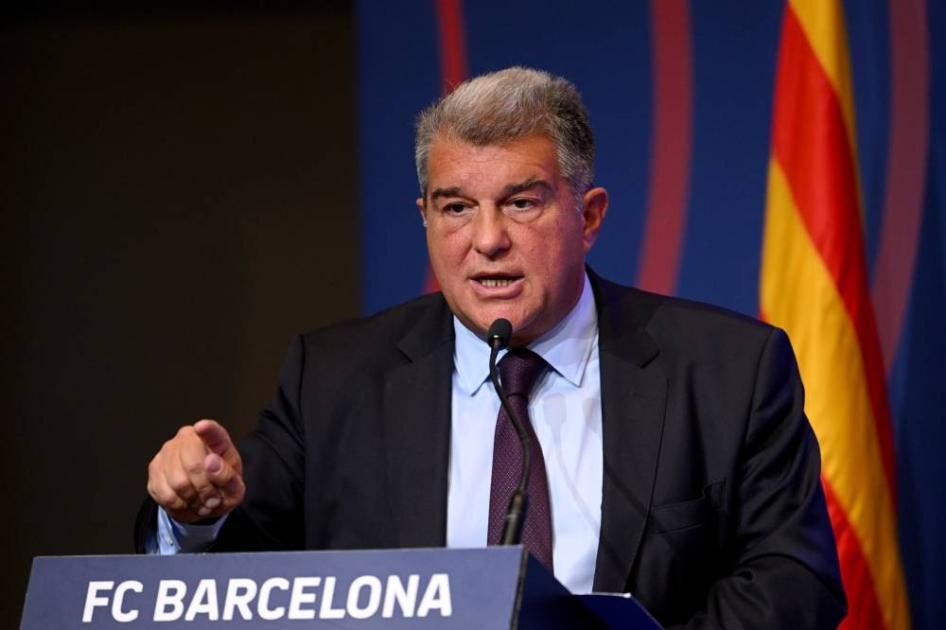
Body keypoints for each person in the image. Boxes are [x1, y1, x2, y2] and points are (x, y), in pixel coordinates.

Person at [138, 66, 846, 628]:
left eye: (521, 202)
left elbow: (794, 580)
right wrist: (196, 516)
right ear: (424, 218)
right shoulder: (333, 379)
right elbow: (240, 576)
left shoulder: (727, 370)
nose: (487, 240)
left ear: (588, 216)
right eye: (456, 208)